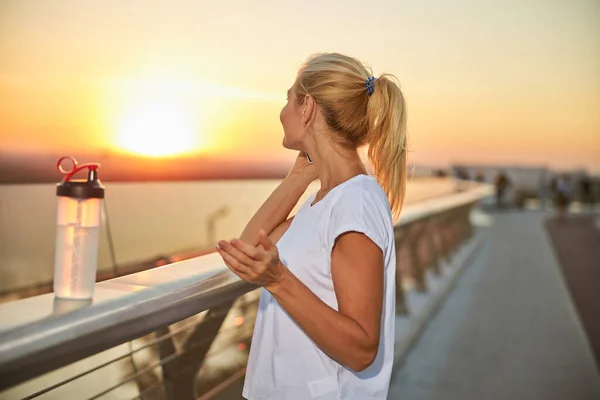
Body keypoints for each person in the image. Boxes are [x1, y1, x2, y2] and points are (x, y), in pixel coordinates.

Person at [216, 53, 406, 400]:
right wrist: (299, 177)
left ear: (307, 108)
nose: (282, 111)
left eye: (288, 98)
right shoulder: (325, 200)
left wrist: (278, 280)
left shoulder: (355, 204)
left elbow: (362, 349)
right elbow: (246, 252)